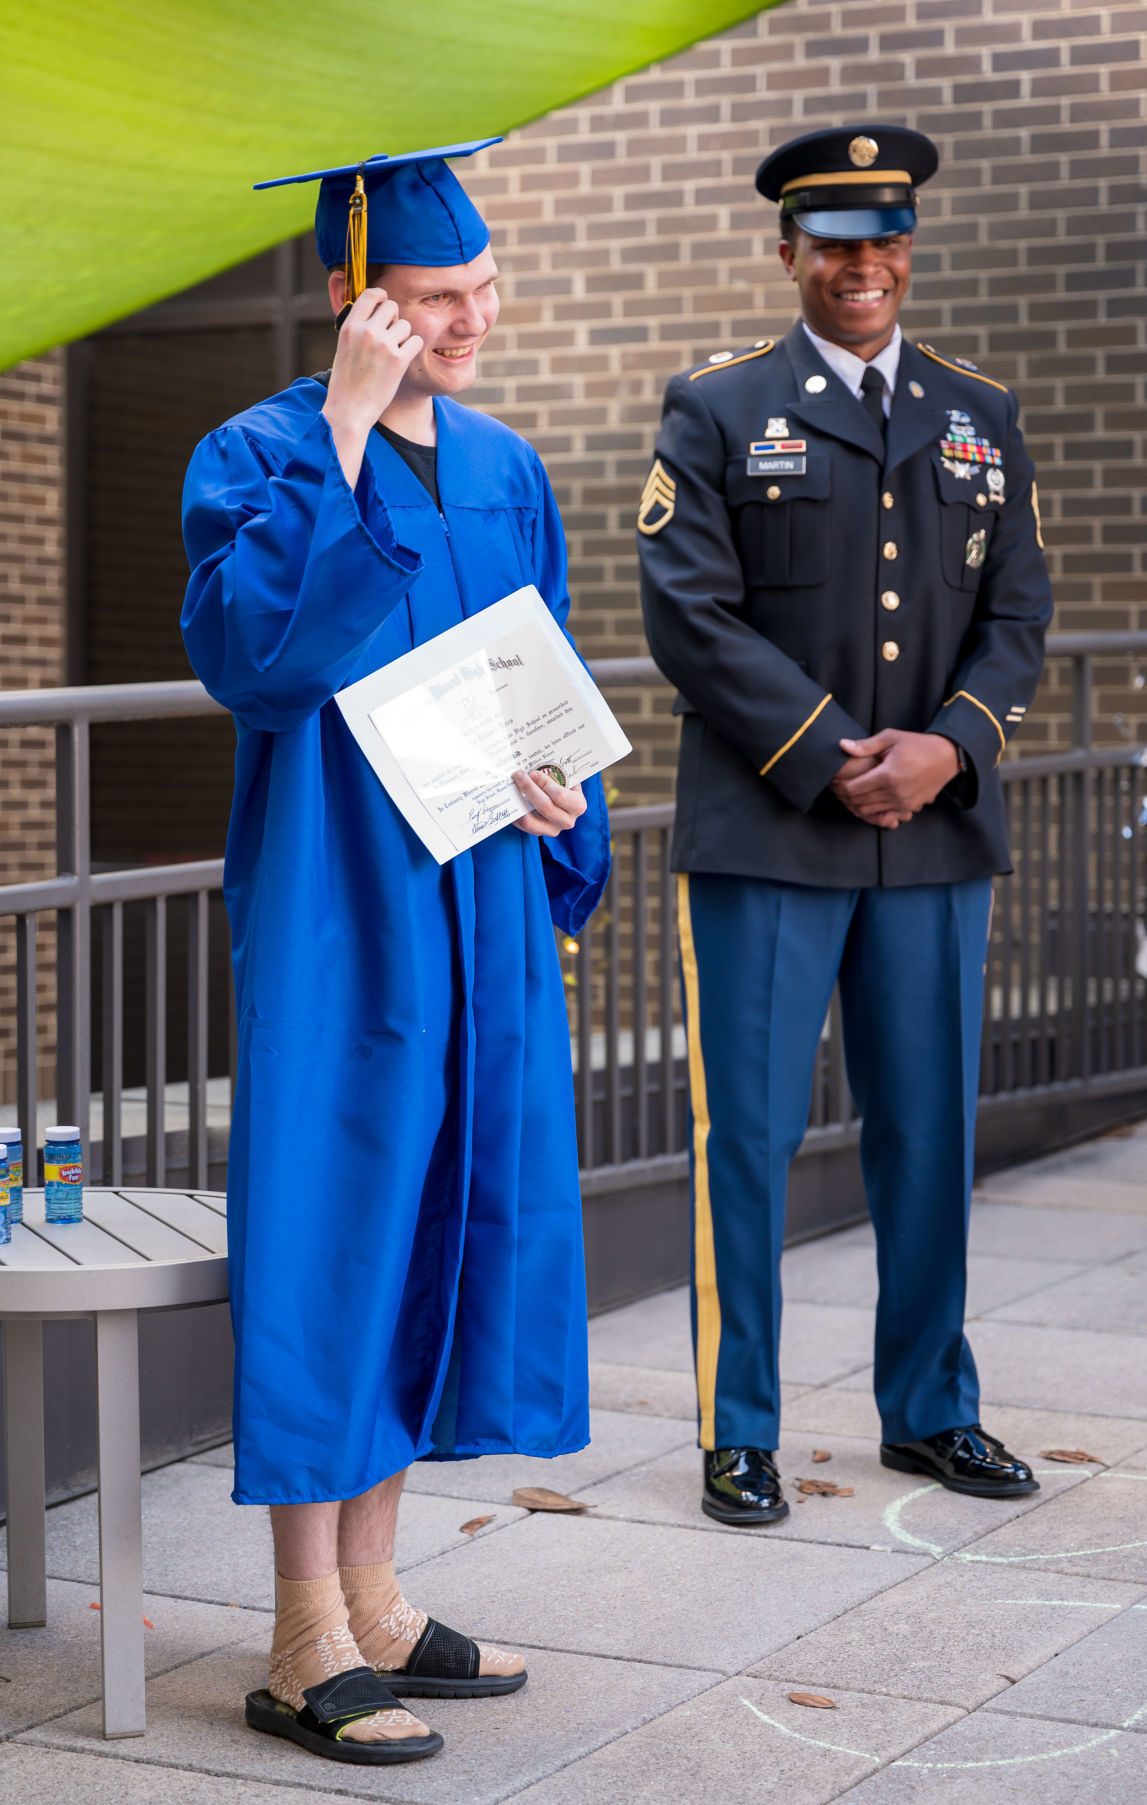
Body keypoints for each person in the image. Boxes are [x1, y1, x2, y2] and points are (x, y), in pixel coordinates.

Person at [181, 140, 610, 1766]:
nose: (471, 319)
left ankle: (374, 1590)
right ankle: (298, 1634)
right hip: (340, 900)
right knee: (337, 1222)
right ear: (356, 300)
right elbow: (251, 661)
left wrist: (563, 801)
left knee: (446, 1217)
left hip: (480, 887)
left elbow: (540, 664)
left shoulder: (503, 462)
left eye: (483, 289)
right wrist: (347, 436)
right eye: (437, 298)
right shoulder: (261, 451)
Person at [636, 125, 1053, 1528]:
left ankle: (932, 1407)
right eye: (834, 246)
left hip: (934, 835)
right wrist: (830, 759)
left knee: (927, 1131)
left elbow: (1020, 616)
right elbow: (687, 615)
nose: (862, 266)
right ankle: (736, 1426)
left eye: (885, 242)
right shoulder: (715, 408)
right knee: (744, 1137)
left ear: (907, 251)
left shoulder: (979, 414)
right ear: (789, 256)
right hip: (767, 832)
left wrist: (947, 747)